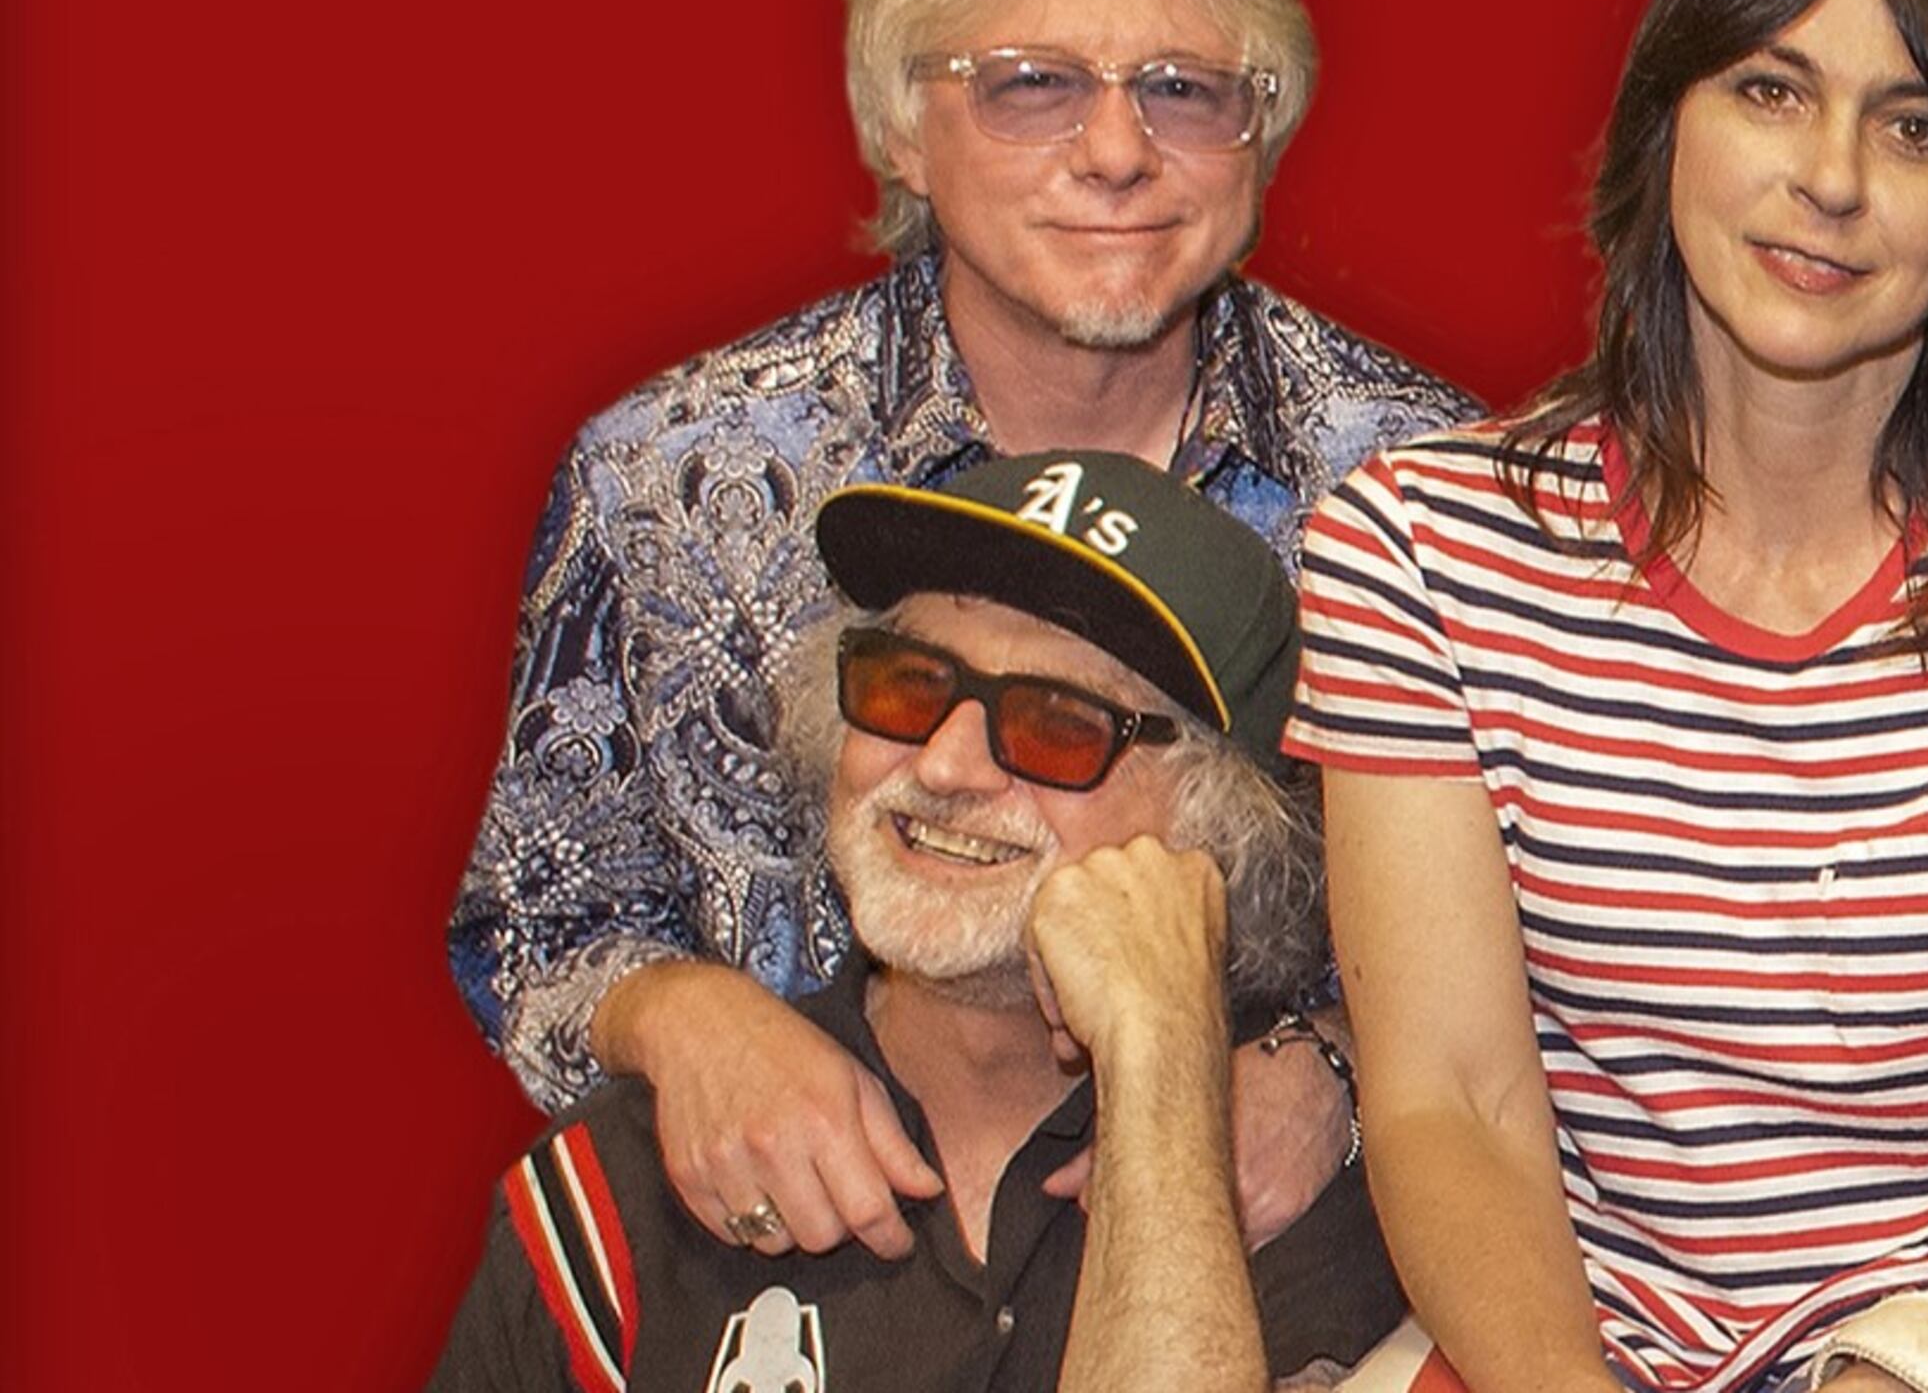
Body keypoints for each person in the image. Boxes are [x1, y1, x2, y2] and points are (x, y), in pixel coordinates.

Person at [1287, 0, 1928, 1393]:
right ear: (1665, 122)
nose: (1833, 179)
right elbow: (1448, 1106)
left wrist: (1890, 1378)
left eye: (1918, 127)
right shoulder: (1416, 547)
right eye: (1771, 92)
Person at [452, 0, 1471, 1264]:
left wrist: (1334, 1073)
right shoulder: (669, 477)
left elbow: (1566, 947)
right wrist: (678, 1017)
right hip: (793, 1282)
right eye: (1030, 84)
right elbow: (539, 919)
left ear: (1264, 134)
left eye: (1184, 89)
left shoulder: (1429, 494)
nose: (1114, 153)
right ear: (898, 128)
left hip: (1272, 1292)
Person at [433, 449, 1409, 1390]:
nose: (944, 767)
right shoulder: (637, 1182)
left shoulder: (1321, 1188)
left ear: (1226, 823)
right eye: (907, 686)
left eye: (1056, 724)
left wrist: (1162, 1063)